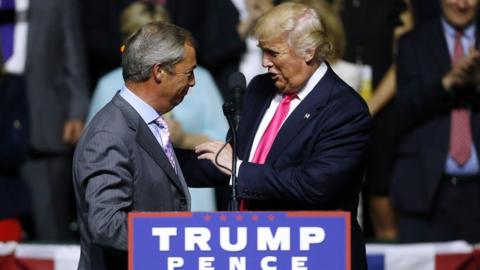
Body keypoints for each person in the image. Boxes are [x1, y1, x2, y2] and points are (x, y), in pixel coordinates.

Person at [180, 3, 371, 269]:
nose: (264, 62)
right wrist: (166, 164)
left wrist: (238, 169)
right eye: (262, 51)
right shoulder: (260, 88)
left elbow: (312, 185)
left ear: (309, 51)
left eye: (273, 53)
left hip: (315, 256)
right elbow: (230, 163)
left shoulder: (345, 110)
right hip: (253, 252)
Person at [72, 22, 227, 270]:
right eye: (189, 73)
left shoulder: (145, 122)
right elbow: (106, 224)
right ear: (159, 72)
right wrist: (178, 240)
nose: (194, 83)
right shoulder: (109, 134)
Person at [86, 1, 228, 211]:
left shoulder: (200, 78)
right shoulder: (109, 86)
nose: (150, 50)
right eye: (141, 41)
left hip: (196, 203)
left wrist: (184, 139)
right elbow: (98, 150)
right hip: (142, 216)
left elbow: (226, 141)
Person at [392, 0, 480, 243]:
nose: (462, 4)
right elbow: (404, 110)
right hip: (426, 194)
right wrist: (447, 82)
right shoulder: (413, 42)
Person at [2, 0, 90, 241]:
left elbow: (74, 59)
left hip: (42, 123)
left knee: (49, 223)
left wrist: (76, 112)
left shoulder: (55, 4)